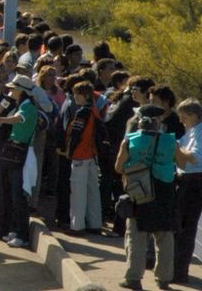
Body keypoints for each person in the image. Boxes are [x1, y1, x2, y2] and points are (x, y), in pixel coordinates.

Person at [115, 103, 195, 290]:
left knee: (136, 236)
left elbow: (119, 167)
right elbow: (182, 164)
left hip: (139, 192)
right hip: (165, 193)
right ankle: (164, 279)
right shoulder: (171, 141)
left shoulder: (129, 140)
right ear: (158, 122)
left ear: (141, 120)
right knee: (165, 237)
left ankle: (133, 278)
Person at [0, 74, 39, 248]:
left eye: (14, 88)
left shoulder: (27, 107)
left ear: (21, 90)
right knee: (14, 194)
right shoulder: (19, 104)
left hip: (22, 154)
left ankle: (22, 234)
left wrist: (0, 120)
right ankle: (16, 230)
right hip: (15, 153)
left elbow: (17, 119)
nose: (10, 90)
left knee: (19, 195)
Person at [62, 80, 107, 235]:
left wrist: (69, 151)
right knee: (93, 191)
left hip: (80, 155)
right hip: (92, 155)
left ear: (84, 95)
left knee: (78, 193)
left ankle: (77, 226)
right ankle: (95, 224)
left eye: (77, 94)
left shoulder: (81, 112)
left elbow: (76, 134)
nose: (75, 97)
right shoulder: (95, 110)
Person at [173, 98, 202, 285]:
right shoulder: (190, 131)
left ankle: (179, 271)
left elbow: (195, 158)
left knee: (185, 228)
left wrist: (176, 147)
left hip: (194, 182)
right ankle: (176, 268)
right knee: (179, 227)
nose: (181, 121)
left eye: (184, 117)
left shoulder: (200, 133)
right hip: (185, 179)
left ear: (194, 115)